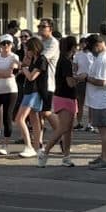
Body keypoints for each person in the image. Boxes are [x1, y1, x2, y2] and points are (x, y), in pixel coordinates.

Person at [79, 35, 106, 169]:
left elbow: (102, 82)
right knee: (103, 129)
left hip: (103, 99)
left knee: (104, 130)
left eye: (92, 48)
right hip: (102, 99)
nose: (92, 51)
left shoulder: (104, 59)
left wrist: (86, 78)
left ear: (99, 44)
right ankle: (103, 155)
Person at [42, 36, 81, 168]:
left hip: (69, 97)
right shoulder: (65, 62)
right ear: (72, 47)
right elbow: (70, 83)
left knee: (69, 129)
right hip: (64, 97)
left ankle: (66, 156)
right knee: (63, 128)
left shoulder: (67, 60)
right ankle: (45, 152)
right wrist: (81, 78)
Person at [12, 36, 49, 158]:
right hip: (30, 91)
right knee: (34, 119)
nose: (27, 51)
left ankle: (29, 145)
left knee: (19, 119)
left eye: (28, 48)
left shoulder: (41, 60)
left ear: (34, 48)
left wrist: (24, 68)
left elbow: (32, 77)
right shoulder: (34, 59)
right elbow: (25, 66)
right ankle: (37, 146)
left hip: (34, 92)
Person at [0, 37, 20, 150]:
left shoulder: (14, 57)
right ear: (0, 45)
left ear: (11, 45)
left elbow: (11, 73)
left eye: (8, 43)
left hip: (10, 90)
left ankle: (5, 144)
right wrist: (2, 73)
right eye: (3, 43)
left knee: (7, 116)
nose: (6, 45)